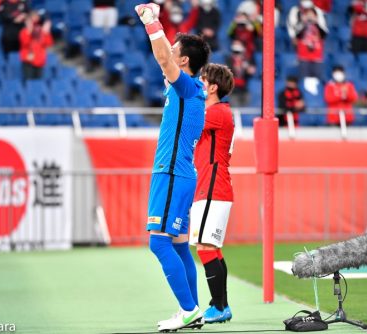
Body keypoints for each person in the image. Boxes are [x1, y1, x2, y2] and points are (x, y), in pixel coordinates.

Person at [135, 3, 210, 332]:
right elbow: (166, 56)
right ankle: (193, 312)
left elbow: (163, 57)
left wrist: (151, 20)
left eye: (175, 50)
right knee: (179, 245)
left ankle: (189, 308)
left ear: (184, 61)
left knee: (159, 243)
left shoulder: (185, 85)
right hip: (181, 173)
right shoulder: (190, 90)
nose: (168, 52)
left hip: (171, 172)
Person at [189, 63, 235, 324]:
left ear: (213, 87)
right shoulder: (219, 112)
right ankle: (221, 304)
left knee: (206, 248)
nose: (198, 84)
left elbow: (189, 118)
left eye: (202, 80)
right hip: (211, 188)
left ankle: (218, 307)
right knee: (213, 249)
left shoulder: (217, 113)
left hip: (212, 189)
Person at [287, 0, 328, 80]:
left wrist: (316, 22)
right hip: (303, 52)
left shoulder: (318, 11)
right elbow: (295, 33)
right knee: (304, 79)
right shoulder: (296, 11)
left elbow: (324, 34)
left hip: (317, 52)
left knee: (317, 80)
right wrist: (303, 23)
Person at [19, 11, 53, 80]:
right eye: (31, 20)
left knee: (39, 83)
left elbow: (49, 43)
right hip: (28, 61)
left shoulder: (41, 31)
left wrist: (46, 33)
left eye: (36, 18)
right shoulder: (23, 32)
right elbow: (26, 43)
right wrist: (29, 31)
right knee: (29, 83)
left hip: (40, 61)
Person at [225, 41, 256, 107]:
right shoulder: (229, 60)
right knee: (235, 107)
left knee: (247, 105)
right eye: (235, 52)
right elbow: (227, 73)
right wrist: (236, 66)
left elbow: (252, 71)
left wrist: (247, 68)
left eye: (238, 53)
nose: (237, 55)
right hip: (234, 89)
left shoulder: (247, 60)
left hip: (245, 88)